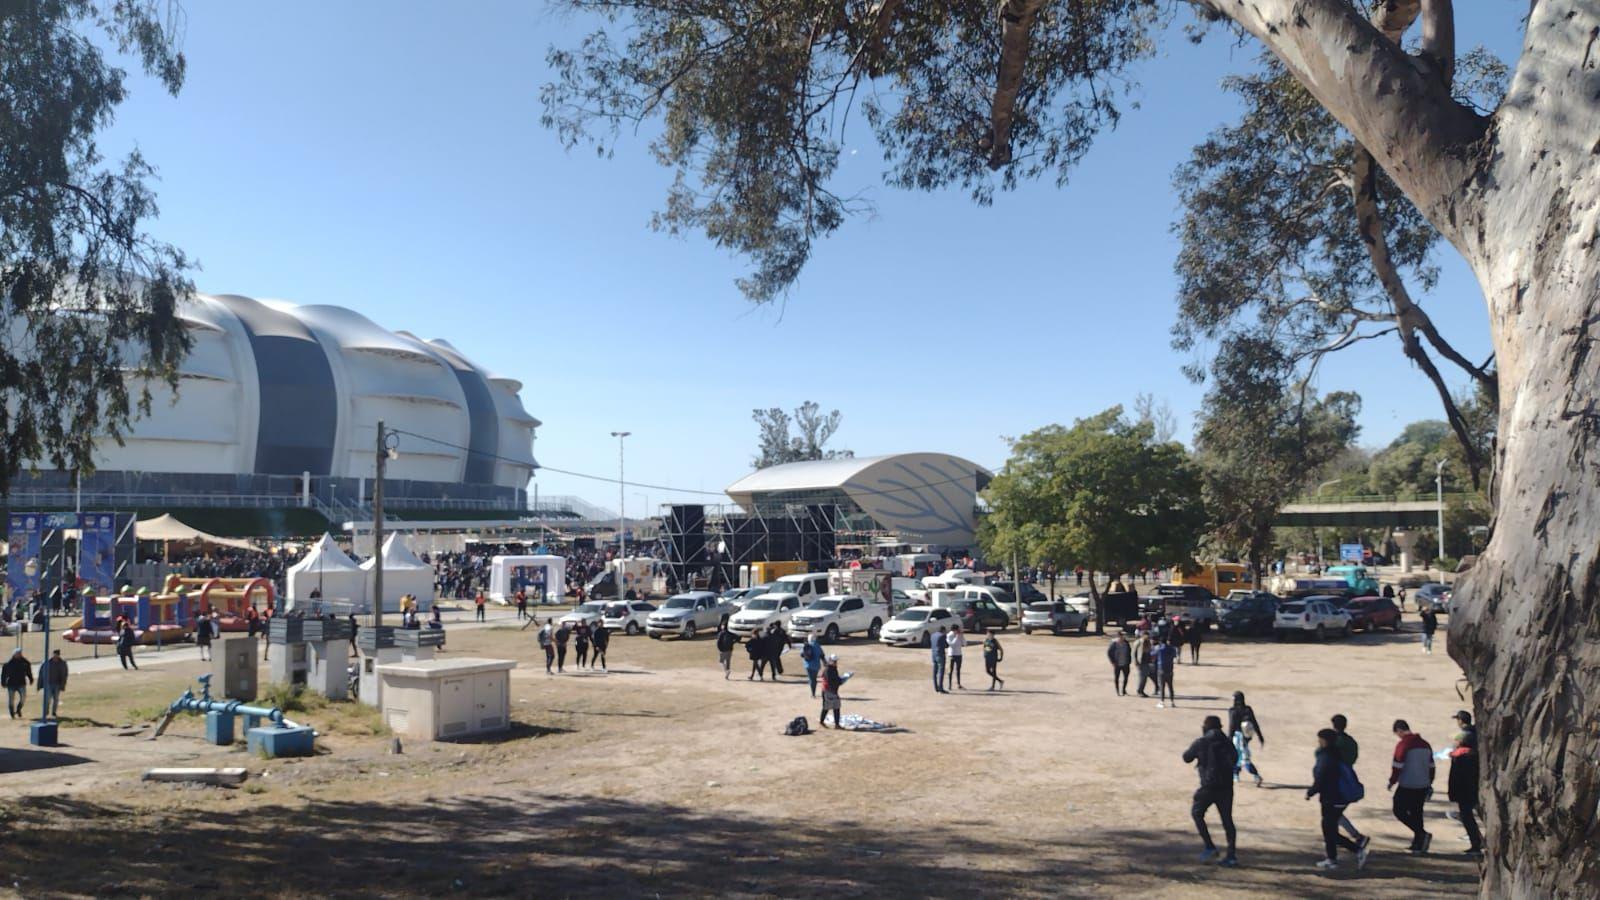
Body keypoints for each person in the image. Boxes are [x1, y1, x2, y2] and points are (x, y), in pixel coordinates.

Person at [1182, 714, 1239, 866]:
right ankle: (1231, 855)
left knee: (1197, 813)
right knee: (1227, 820)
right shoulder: (1227, 742)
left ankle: (1209, 846)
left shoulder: (1201, 742)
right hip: (1226, 787)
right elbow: (1235, 758)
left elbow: (1186, 757)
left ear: (1205, 728)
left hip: (1208, 786)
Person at [1308, 728, 1367, 870]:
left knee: (1329, 830)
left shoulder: (1325, 756)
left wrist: (1311, 792)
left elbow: (1320, 778)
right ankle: (1332, 858)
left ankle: (1355, 851)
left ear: (1324, 741)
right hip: (1340, 798)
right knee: (1330, 828)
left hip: (1332, 798)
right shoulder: (1337, 754)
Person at [1388, 719, 1436, 854]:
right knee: (1417, 813)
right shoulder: (1425, 744)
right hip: (1423, 784)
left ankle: (1421, 834)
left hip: (1408, 784)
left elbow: (1397, 765)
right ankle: (1418, 843)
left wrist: (1392, 781)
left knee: (1398, 810)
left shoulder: (1403, 745)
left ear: (1399, 731)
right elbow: (1432, 766)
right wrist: (1430, 782)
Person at [1447, 710, 1484, 856]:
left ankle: (1476, 842)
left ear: (1461, 721)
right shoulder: (1475, 736)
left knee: (1467, 815)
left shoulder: (1462, 753)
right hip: (1473, 786)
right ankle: (1477, 840)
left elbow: (1457, 775)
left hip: (1465, 789)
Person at [1330, 714, 1369, 849]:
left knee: (1332, 812)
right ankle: (1342, 837)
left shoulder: (1333, 741)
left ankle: (1354, 837)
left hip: (1337, 779)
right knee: (1335, 813)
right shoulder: (1351, 742)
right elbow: (1354, 757)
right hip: (1349, 776)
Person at [2, 648, 32, 718]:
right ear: (14, 654)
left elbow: (28, 671)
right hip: (11, 684)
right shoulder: (9, 664)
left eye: (20, 653)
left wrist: (30, 678)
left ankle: (18, 709)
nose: (19, 655)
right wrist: (3, 682)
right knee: (11, 700)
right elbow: (4, 674)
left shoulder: (24, 663)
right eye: (18, 653)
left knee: (23, 698)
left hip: (21, 683)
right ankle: (12, 713)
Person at [818, 654, 845, 728]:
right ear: (829, 661)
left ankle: (836, 724)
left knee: (836, 707)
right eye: (834, 661)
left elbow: (835, 678)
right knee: (827, 707)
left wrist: (841, 680)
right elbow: (830, 681)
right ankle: (821, 722)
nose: (835, 662)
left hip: (832, 691)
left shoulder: (833, 669)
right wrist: (839, 682)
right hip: (828, 691)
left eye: (836, 661)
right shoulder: (828, 670)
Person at [1153, 637, 1178, 708]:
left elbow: (1152, 654)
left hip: (1161, 669)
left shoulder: (1158, 648)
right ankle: (1172, 702)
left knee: (1162, 686)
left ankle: (1162, 702)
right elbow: (1174, 655)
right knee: (1170, 686)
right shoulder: (1172, 648)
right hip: (1170, 669)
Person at [41, 650, 67, 719]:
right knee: (47, 698)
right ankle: (46, 712)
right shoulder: (48, 662)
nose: (55, 656)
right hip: (48, 684)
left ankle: (54, 712)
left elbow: (64, 674)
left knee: (56, 699)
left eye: (57, 655)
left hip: (57, 684)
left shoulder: (62, 663)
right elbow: (42, 673)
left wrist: (63, 684)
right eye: (54, 654)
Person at [1132, 631, 1154, 698]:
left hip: (1147, 662)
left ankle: (1141, 690)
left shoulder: (1149, 642)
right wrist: (1135, 662)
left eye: (1148, 635)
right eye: (1146, 635)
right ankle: (1139, 691)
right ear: (1142, 635)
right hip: (1141, 662)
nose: (1147, 637)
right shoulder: (1138, 642)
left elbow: (1150, 651)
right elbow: (1133, 653)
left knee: (1144, 678)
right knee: (1142, 677)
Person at [947, 624, 966, 690]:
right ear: (954, 630)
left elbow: (965, 644)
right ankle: (949, 685)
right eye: (957, 630)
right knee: (950, 669)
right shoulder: (949, 635)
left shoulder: (959, 635)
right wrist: (956, 637)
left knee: (958, 669)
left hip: (959, 654)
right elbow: (952, 644)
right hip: (952, 654)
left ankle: (958, 684)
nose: (958, 631)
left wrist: (962, 637)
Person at [930, 625, 948, 693]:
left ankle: (936, 687)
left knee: (935, 672)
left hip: (933, 654)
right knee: (941, 672)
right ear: (943, 630)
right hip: (940, 654)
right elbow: (946, 645)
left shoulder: (933, 635)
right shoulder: (942, 636)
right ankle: (941, 688)